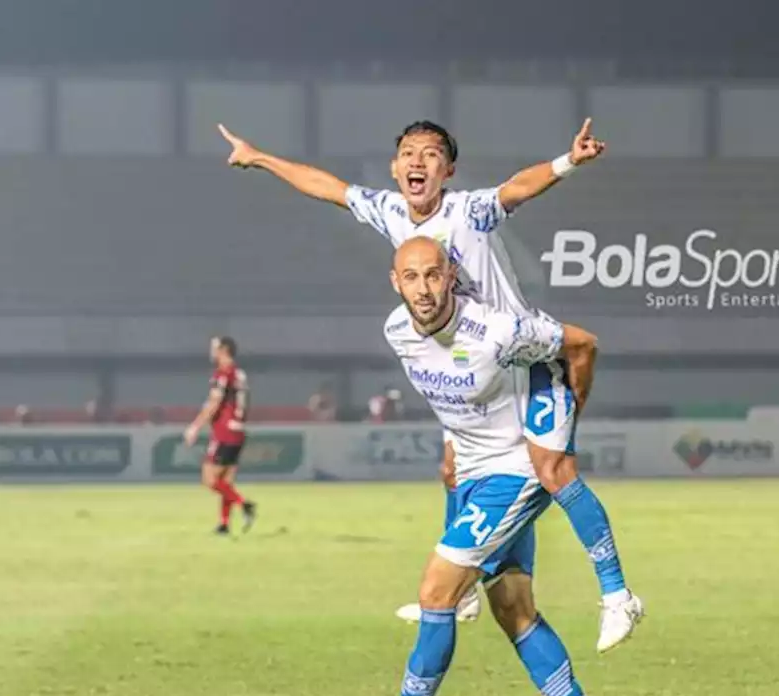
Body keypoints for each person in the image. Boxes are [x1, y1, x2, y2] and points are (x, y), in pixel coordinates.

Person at [218, 118, 643, 652]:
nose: (418, 162)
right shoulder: (391, 210)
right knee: (451, 470)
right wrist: (259, 157)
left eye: (431, 154)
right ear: (396, 168)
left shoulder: (468, 211)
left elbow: (516, 188)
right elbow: (327, 187)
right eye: (408, 154)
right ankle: (461, 597)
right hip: (473, 370)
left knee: (553, 470)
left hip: (524, 357)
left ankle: (617, 595)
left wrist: (567, 162)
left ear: (449, 170)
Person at [330, 237, 616, 696]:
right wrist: (451, 448)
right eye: (411, 277)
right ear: (396, 283)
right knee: (514, 609)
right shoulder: (397, 332)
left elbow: (580, 347)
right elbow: (451, 400)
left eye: (433, 275)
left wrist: (565, 418)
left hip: (516, 472)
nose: (423, 287)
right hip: (477, 475)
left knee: (436, 591)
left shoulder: (494, 329)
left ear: (452, 275)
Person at [184, 336, 258, 534]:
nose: (211, 351)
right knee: (226, 482)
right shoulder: (239, 374)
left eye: (214, 347)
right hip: (239, 429)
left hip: (224, 431)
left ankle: (245, 504)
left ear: (224, 349)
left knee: (209, 479)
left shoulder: (223, 374)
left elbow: (214, 403)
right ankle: (224, 524)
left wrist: (195, 427)